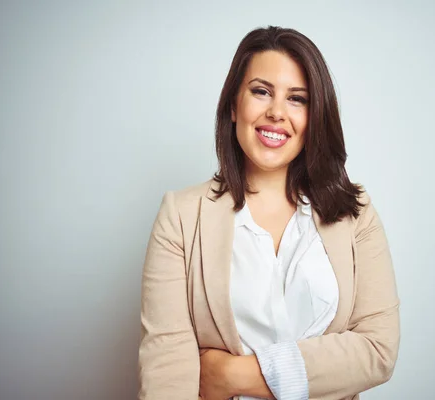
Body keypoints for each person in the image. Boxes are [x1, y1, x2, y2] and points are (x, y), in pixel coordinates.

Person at [138, 26, 400, 400]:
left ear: (315, 116)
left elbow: (378, 351)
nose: (277, 112)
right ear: (233, 105)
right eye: (261, 91)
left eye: (297, 99)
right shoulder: (180, 217)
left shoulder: (356, 213)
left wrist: (232, 375)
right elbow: (167, 373)